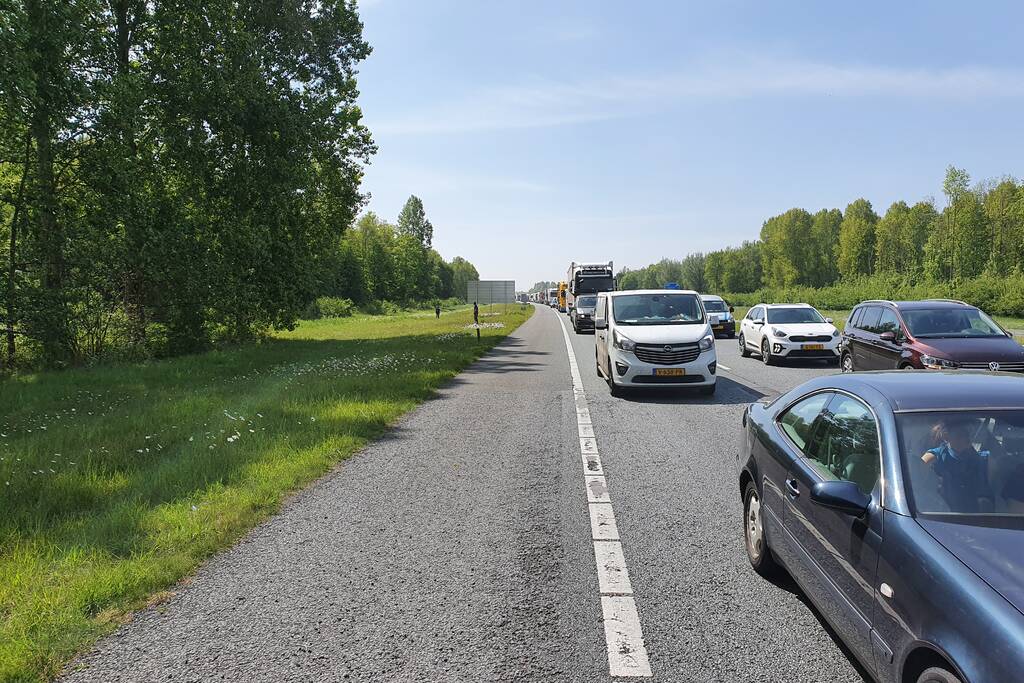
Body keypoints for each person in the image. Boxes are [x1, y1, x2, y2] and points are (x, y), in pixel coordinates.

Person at [921, 419, 992, 512]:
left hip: (975, 516)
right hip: (941, 513)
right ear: (946, 436)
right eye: (959, 435)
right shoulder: (934, 457)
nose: (965, 439)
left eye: (968, 435)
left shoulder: (983, 459)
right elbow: (916, 475)